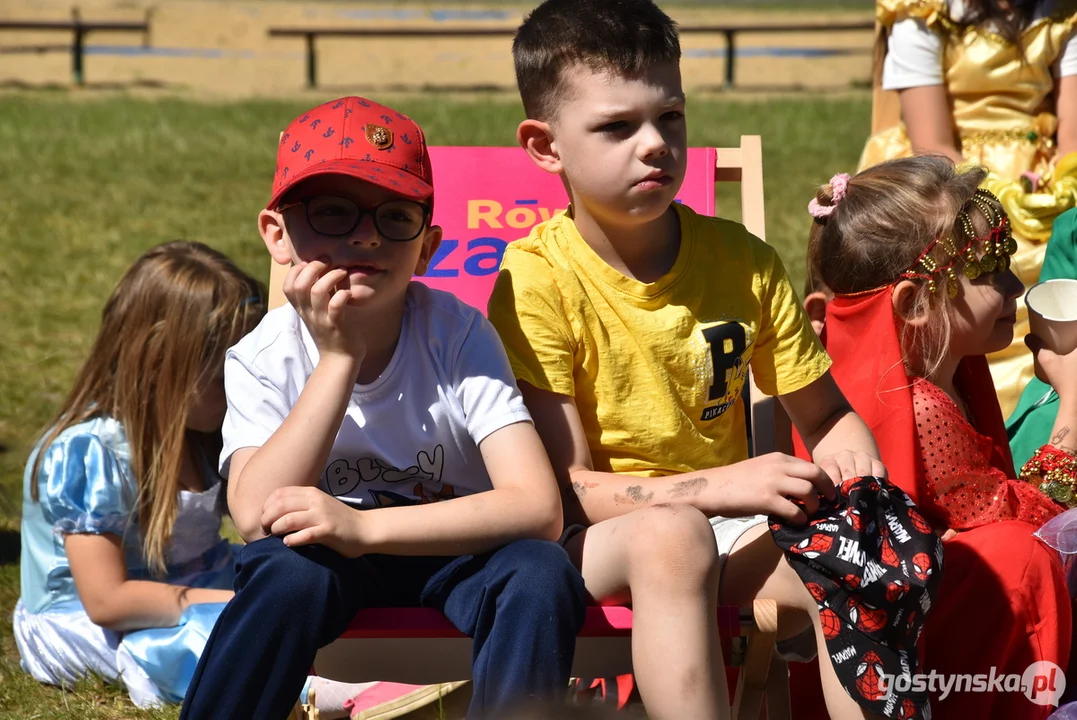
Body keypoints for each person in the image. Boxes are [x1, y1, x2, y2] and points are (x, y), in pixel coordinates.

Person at [490, 1, 941, 717]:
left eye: (669, 117)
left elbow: (824, 416)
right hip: (599, 541)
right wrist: (723, 486)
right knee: (673, 538)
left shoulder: (741, 261)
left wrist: (854, 474)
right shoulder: (535, 283)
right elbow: (564, 495)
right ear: (545, 147)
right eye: (616, 126)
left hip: (732, 528)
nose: (654, 144)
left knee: (866, 550)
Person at [178, 96, 588, 720]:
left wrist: (364, 528)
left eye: (395, 216)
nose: (365, 234)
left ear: (427, 247)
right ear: (277, 235)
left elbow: (536, 508)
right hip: (327, 564)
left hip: (455, 551)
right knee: (283, 575)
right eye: (333, 212)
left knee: (537, 571)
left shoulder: (459, 336)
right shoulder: (263, 356)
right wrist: (339, 357)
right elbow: (258, 517)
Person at [802, 156, 1073, 718]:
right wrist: (1072, 409)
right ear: (915, 304)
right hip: (934, 648)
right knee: (1020, 554)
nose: (1016, 287)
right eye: (991, 272)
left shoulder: (945, 377)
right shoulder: (919, 408)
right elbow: (1027, 519)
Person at [13, 241, 264, 707]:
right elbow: (107, 601)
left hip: (191, 583)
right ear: (158, 363)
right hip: (93, 620)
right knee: (229, 633)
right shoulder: (90, 452)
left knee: (293, 590)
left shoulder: (199, 430)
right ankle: (323, 692)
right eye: (224, 374)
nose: (241, 388)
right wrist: (228, 604)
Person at [859, 0, 1077, 417]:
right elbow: (932, 139)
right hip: (952, 176)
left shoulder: (1062, 12)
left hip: (1043, 174)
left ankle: (1047, 405)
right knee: (980, 260)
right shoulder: (924, 11)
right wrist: (1002, 194)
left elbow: (1073, 133)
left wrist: (1062, 187)